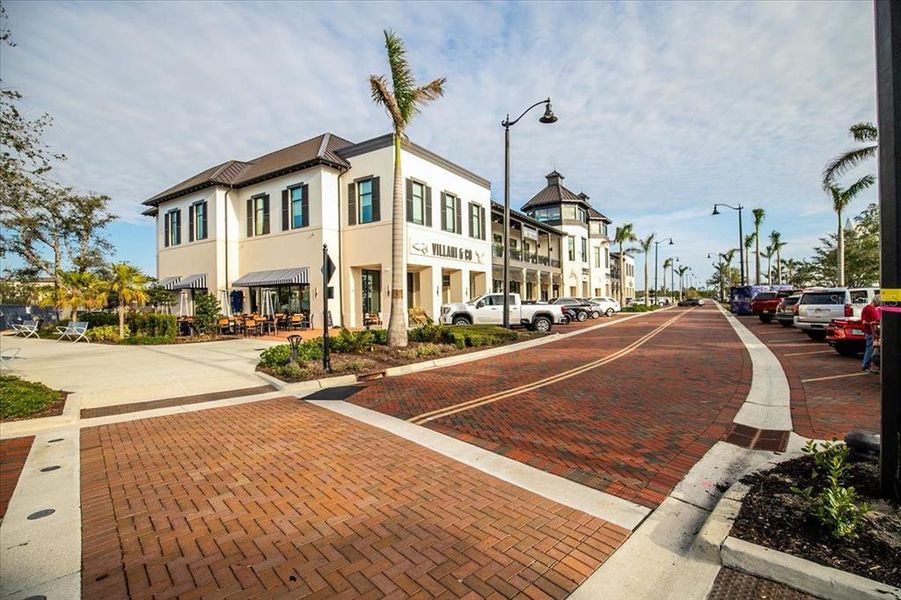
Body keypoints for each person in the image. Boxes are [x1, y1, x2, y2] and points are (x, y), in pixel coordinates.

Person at [860, 295, 881, 373]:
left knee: (872, 349)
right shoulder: (870, 309)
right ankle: (866, 366)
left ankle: (867, 365)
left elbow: (865, 321)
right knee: (870, 349)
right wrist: (872, 324)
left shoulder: (869, 308)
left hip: (871, 332)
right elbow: (866, 322)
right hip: (871, 332)